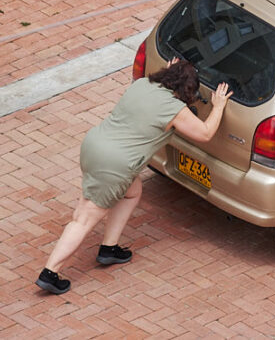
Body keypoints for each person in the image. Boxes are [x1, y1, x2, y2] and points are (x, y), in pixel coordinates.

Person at [36, 59, 232, 294]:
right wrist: (218, 105)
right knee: (84, 217)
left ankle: (109, 249)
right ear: (187, 91)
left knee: (132, 191)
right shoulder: (173, 109)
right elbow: (206, 133)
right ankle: (50, 273)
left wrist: (173, 69)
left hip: (94, 146)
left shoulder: (142, 84)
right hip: (114, 164)